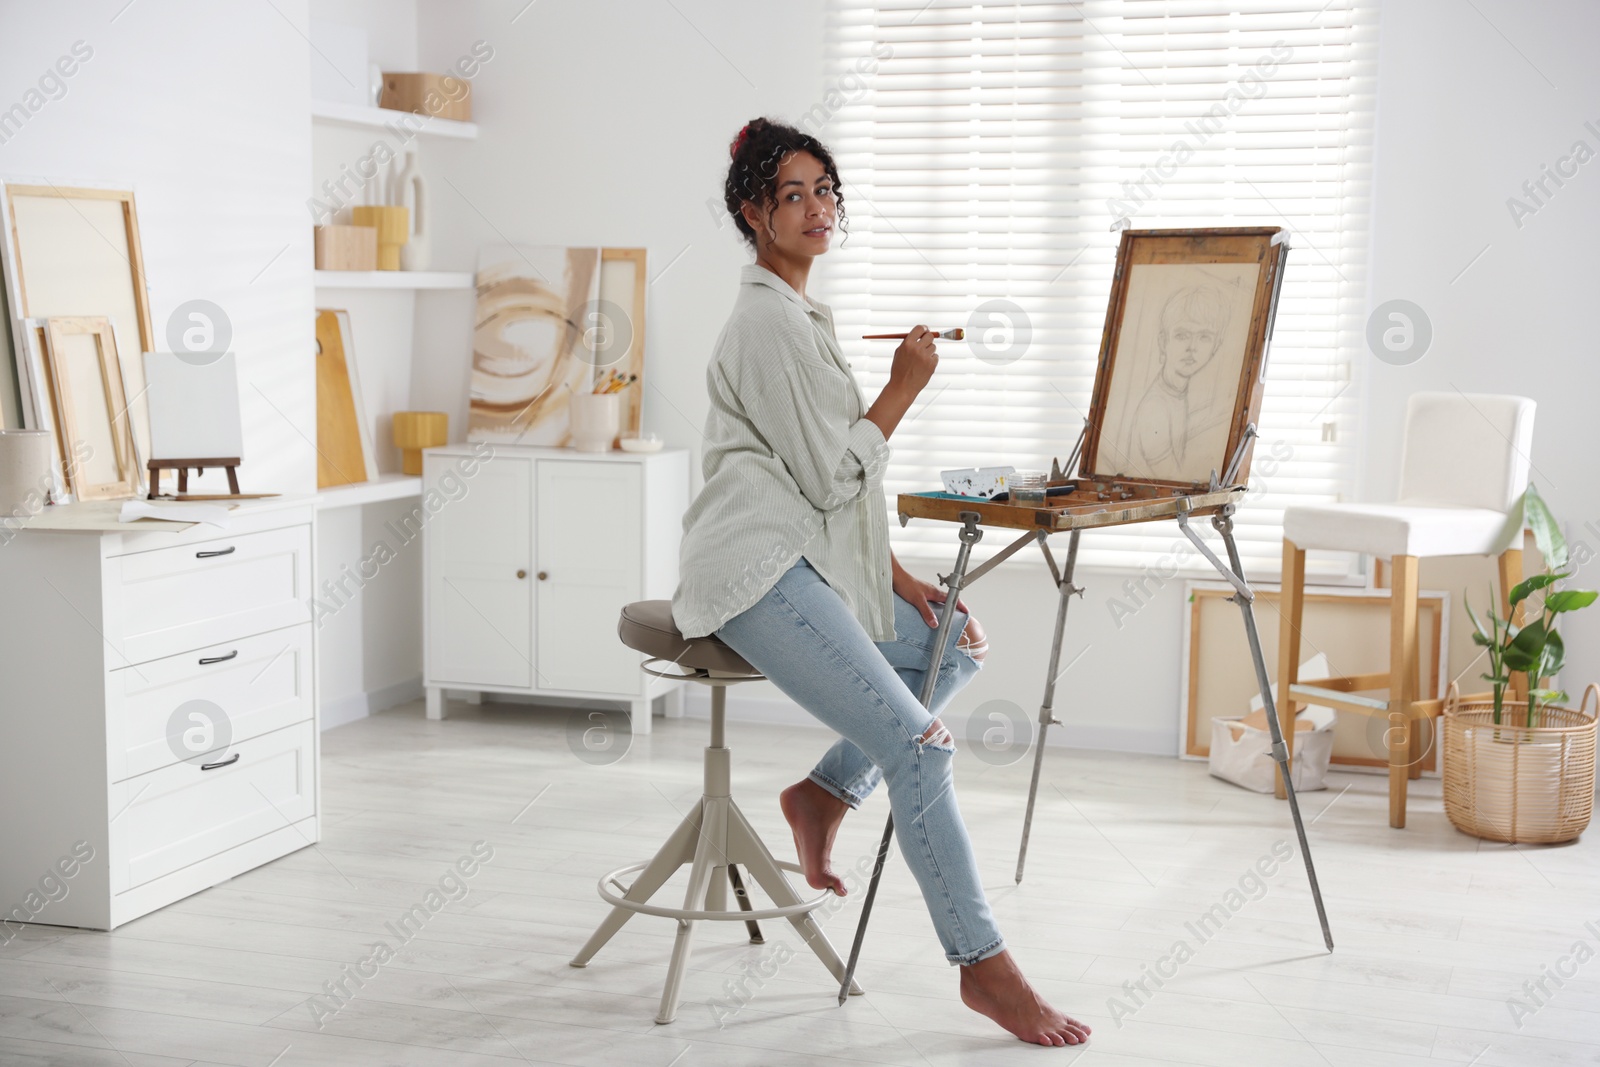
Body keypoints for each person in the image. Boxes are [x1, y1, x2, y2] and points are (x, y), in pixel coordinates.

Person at [670, 117, 1091, 1048]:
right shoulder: (767, 325)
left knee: (952, 645)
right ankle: (985, 967)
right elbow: (830, 478)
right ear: (753, 213)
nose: (817, 207)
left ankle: (821, 795)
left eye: (826, 191)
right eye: (793, 194)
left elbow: (823, 488)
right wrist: (904, 387)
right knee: (924, 749)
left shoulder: (801, 317)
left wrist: (901, 581)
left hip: (801, 554)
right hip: (752, 572)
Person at [1126, 285, 1230, 479]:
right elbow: (1174, 482)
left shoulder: (1178, 393)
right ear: (1163, 341)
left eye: (1204, 337)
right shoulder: (1155, 408)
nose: (1192, 347)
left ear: (1216, 346)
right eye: (1182, 335)